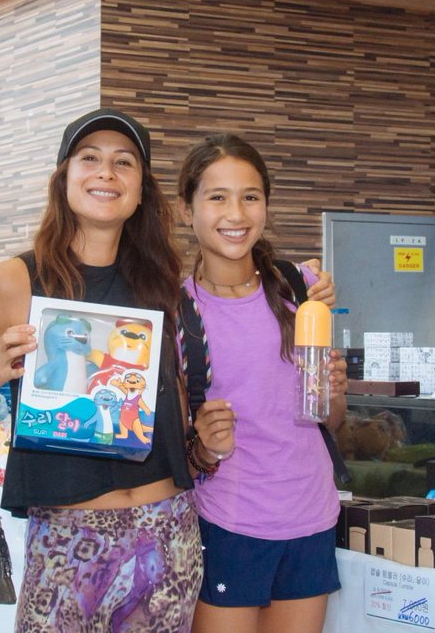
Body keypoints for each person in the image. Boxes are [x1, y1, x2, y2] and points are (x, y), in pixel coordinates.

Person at [0, 108, 204, 632]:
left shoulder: (163, 285)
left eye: (124, 162)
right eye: (89, 158)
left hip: (167, 532)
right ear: (63, 179)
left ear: (141, 191)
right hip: (66, 539)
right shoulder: (13, 281)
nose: (106, 172)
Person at [176, 133, 347, 633]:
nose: (236, 213)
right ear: (187, 210)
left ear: (266, 206)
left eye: (250, 196)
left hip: (312, 516)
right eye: (217, 197)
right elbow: (173, 454)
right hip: (227, 524)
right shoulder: (175, 313)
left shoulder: (301, 290)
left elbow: (330, 422)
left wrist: (335, 392)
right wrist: (203, 446)